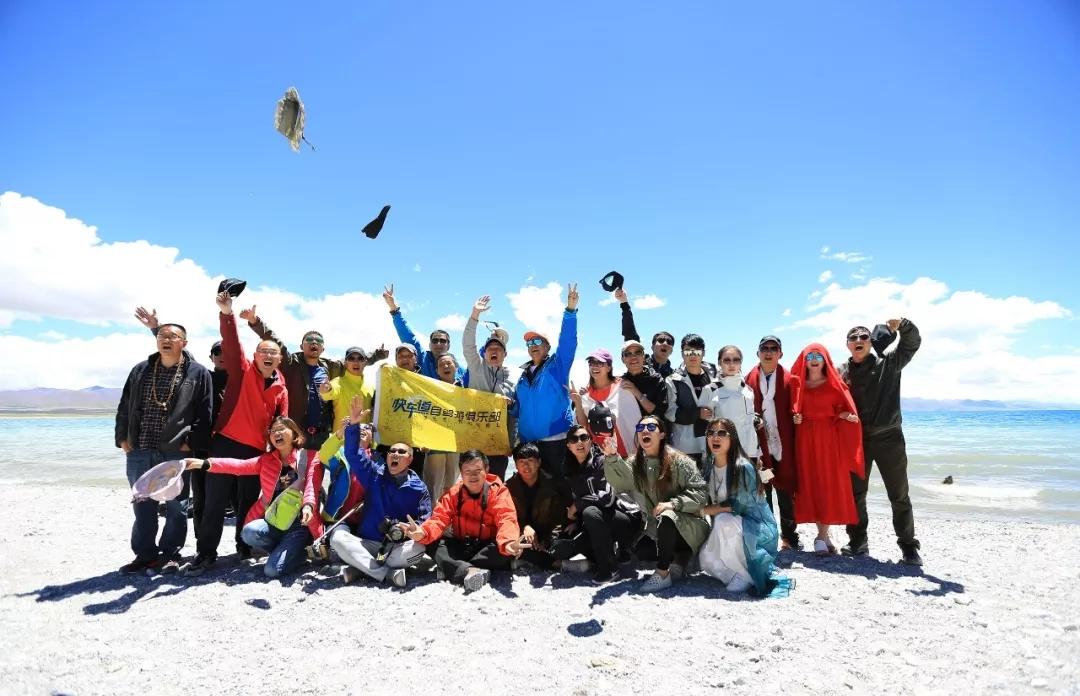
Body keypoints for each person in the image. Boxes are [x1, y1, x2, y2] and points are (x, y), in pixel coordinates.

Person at [182, 291, 289, 576]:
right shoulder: (242, 371)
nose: (268, 355)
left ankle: (244, 547)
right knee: (214, 504)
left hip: (257, 452)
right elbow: (232, 345)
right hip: (226, 444)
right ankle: (205, 554)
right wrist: (227, 314)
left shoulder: (281, 387)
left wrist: (281, 455)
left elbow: (282, 424)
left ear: (279, 358)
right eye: (263, 352)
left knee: (248, 504)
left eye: (273, 353)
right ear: (255, 356)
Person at [115, 321, 212, 574]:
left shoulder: (197, 373)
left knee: (176, 505)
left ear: (184, 343)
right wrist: (122, 438)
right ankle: (145, 555)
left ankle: (170, 554)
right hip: (140, 448)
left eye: (173, 336)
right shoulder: (141, 370)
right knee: (142, 502)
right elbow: (125, 405)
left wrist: (190, 442)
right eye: (161, 336)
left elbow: (205, 413)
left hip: (175, 450)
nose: (166, 340)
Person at [184, 416, 323, 578]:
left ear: (294, 434)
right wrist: (204, 463)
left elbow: (312, 487)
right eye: (273, 431)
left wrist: (308, 506)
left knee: (271, 570)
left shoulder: (310, 457)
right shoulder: (266, 460)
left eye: (281, 429)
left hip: (299, 526)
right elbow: (238, 466)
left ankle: (300, 552)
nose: (276, 433)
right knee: (249, 532)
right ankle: (285, 550)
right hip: (275, 522)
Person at [840, 319, 923, 565]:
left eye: (863, 337)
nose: (858, 340)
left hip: (889, 439)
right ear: (847, 345)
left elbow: (911, 345)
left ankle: (908, 547)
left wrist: (903, 326)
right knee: (856, 495)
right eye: (853, 337)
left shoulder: (889, 364)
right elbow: (827, 399)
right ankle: (857, 542)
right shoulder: (841, 372)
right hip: (858, 441)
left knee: (899, 495)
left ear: (870, 342)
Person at [329, 398, 432, 587]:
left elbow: (424, 521)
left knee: (419, 549)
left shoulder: (420, 488)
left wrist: (411, 529)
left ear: (410, 459)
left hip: (395, 547)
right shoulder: (374, 473)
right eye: (392, 451)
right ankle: (386, 574)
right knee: (337, 537)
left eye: (401, 452)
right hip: (367, 543)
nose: (395, 454)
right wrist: (353, 424)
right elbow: (353, 454)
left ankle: (360, 568)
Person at [602, 415, 709, 593]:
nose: (645, 431)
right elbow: (620, 482)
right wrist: (612, 457)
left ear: (661, 434)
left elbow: (701, 494)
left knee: (667, 516)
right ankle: (679, 560)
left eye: (651, 428)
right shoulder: (635, 463)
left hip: (691, 524)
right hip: (658, 527)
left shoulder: (680, 461)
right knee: (642, 551)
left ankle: (663, 573)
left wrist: (673, 504)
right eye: (640, 428)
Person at [399, 451, 526, 593]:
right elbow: (439, 519)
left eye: (478, 470)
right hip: (462, 545)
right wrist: (423, 532)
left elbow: (506, 518)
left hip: (488, 546)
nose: (473, 476)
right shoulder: (454, 494)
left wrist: (508, 542)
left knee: (504, 551)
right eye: (468, 471)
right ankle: (471, 569)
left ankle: (454, 568)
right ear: (461, 473)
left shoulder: (498, 492)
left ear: (487, 470)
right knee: (430, 542)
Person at [698, 418, 792, 597]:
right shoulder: (708, 465)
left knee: (723, 520)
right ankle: (734, 570)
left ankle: (744, 573)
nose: (715, 437)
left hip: (755, 526)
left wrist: (705, 510)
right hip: (730, 523)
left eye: (721, 433)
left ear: (732, 438)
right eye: (710, 433)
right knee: (705, 560)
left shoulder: (743, 467)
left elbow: (738, 506)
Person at [790, 343, 864, 556]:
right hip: (804, 438)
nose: (814, 358)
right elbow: (790, 411)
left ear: (825, 360)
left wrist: (845, 416)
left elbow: (843, 409)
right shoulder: (796, 384)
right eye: (810, 355)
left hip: (829, 439)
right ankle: (824, 535)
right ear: (804, 360)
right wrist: (795, 417)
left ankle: (821, 536)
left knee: (827, 482)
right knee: (810, 482)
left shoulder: (835, 384)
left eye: (818, 355)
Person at [245, 308, 343, 450]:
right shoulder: (291, 363)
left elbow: (355, 362)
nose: (313, 342)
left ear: (323, 348)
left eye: (318, 341)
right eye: (309, 340)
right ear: (301, 346)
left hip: (321, 436)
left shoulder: (329, 367)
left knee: (314, 472)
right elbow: (275, 341)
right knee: (290, 470)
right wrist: (255, 321)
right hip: (294, 432)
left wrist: (377, 355)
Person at [557, 426, 643, 583]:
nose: (580, 442)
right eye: (574, 439)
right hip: (601, 520)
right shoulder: (570, 470)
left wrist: (578, 505)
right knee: (574, 542)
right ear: (568, 445)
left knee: (590, 512)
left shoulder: (603, 461)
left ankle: (610, 569)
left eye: (584, 438)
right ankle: (614, 556)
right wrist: (575, 522)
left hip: (626, 519)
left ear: (590, 441)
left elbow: (607, 499)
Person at [512, 283, 579, 479]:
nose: (532, 345)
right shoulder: (523, 377)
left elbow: (568, 342)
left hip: (555, 441)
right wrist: (510, 406)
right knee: (536, 490)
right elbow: (519, 409)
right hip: (529, 444)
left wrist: (570, 311)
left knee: (559, 488)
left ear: (547, 347)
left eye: (537, 341)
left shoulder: (557, 367)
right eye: (529, 343)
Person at [745, 336, 799, 550]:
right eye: (764, 348)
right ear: (758, 353)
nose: (768, 352)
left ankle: (789, 535)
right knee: (763, 488)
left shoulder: (790, 379)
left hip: (785, 443)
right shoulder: (748, 379)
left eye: (773, 348)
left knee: (785, 488)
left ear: (780, 353)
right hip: (760, 445)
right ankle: (768, 534)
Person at [462, 295, 517, 480]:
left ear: (505, 354)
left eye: (498, 349)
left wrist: (511, 442)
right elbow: (468, 345)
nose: (494, 351)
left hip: (498, 447)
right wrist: (475, 315)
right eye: (490, 349)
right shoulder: (476, 368)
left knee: (495, 487)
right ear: (484, 353)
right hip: (474, 443)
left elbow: (513, 416)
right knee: (473, 487)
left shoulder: (512, 379)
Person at [505, 442, 569, 570]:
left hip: (547, 534)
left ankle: (530, 559)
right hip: (522, 535)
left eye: (530, 460)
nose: (526, 465)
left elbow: (559, 518)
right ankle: (555, 564)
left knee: (562, 546)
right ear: (516, 465)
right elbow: (507, 519)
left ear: (539, 462)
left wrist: (546, 541)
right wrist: (525, 528)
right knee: (506, 545)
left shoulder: (552, 485)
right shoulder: (508, 488)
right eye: (521, 461)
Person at [382, 283, 465, 382]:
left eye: (442, 341)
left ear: (448, 345)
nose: (438, 343)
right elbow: (408, 336)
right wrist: (394, 309)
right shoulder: (423, 359)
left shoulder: (460, 369)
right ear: (429, 345)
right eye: (435, 341)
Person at [699, 345, 761, 468]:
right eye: (727, 360)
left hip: (749, 453)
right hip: (722, 453)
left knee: (748, 487)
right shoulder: (710, 390)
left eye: (736, 360)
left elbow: (750, 425)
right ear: (719, 363)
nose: (731, 364)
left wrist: (757, 455)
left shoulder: (747, 390)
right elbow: (703, 427)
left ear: (741, 363)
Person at [571, 349, 638, 456]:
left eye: (600, 363)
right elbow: (583, 425)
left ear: (609, 367)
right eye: (591, 363)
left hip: (626, 454)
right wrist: (578, 403)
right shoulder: (585, 394)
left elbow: (633, 421)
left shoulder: (623, 388)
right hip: (599, 455)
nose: (594, 366)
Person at [664, 334, 713, 465]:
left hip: (713, 444)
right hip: (685, 446)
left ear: (703, 353)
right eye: (688, 351)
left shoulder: (714, 376)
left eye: (697, 351)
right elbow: (670, 412)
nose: (692, 355)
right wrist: (697, 413)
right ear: (682, 354)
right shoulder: (673, 380)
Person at [422, 354, 463, 499]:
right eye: (441, 365)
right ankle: (432, 520)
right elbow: (423, 416)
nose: (445, 367)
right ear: (437, 371)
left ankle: (451, 522)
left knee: (452, 489)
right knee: (433, 488)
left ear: (456, 367)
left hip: (456, 446)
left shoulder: (466, 391)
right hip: (435, 447)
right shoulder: (430, 390)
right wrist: (423, 440)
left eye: (449, 363)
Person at [613, 286, 677, 378]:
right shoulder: (640, 363)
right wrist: (624, 303)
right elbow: (630, 334)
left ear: (671, 350)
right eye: (661, 340)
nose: (665, 343)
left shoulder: (675, 376)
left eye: (669, 342)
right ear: (652, 347)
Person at [319, 346, 374, 431]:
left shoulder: (370, 386)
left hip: (364, 441)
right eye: (351, 358)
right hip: (342, 441)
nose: (356, 362)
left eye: (360, 358)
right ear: (345, 363)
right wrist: (325, 391)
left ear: (365, 363)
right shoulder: (338, 382)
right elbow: (329, 394)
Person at [616, 338, 667, 419]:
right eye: (628, 354)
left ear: (643, 357)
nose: (633, 357)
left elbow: (659, 412)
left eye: (638, 352)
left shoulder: (656, 380)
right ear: (623, 359)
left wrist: (636, 392)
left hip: (650, 430)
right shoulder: (619, 383)